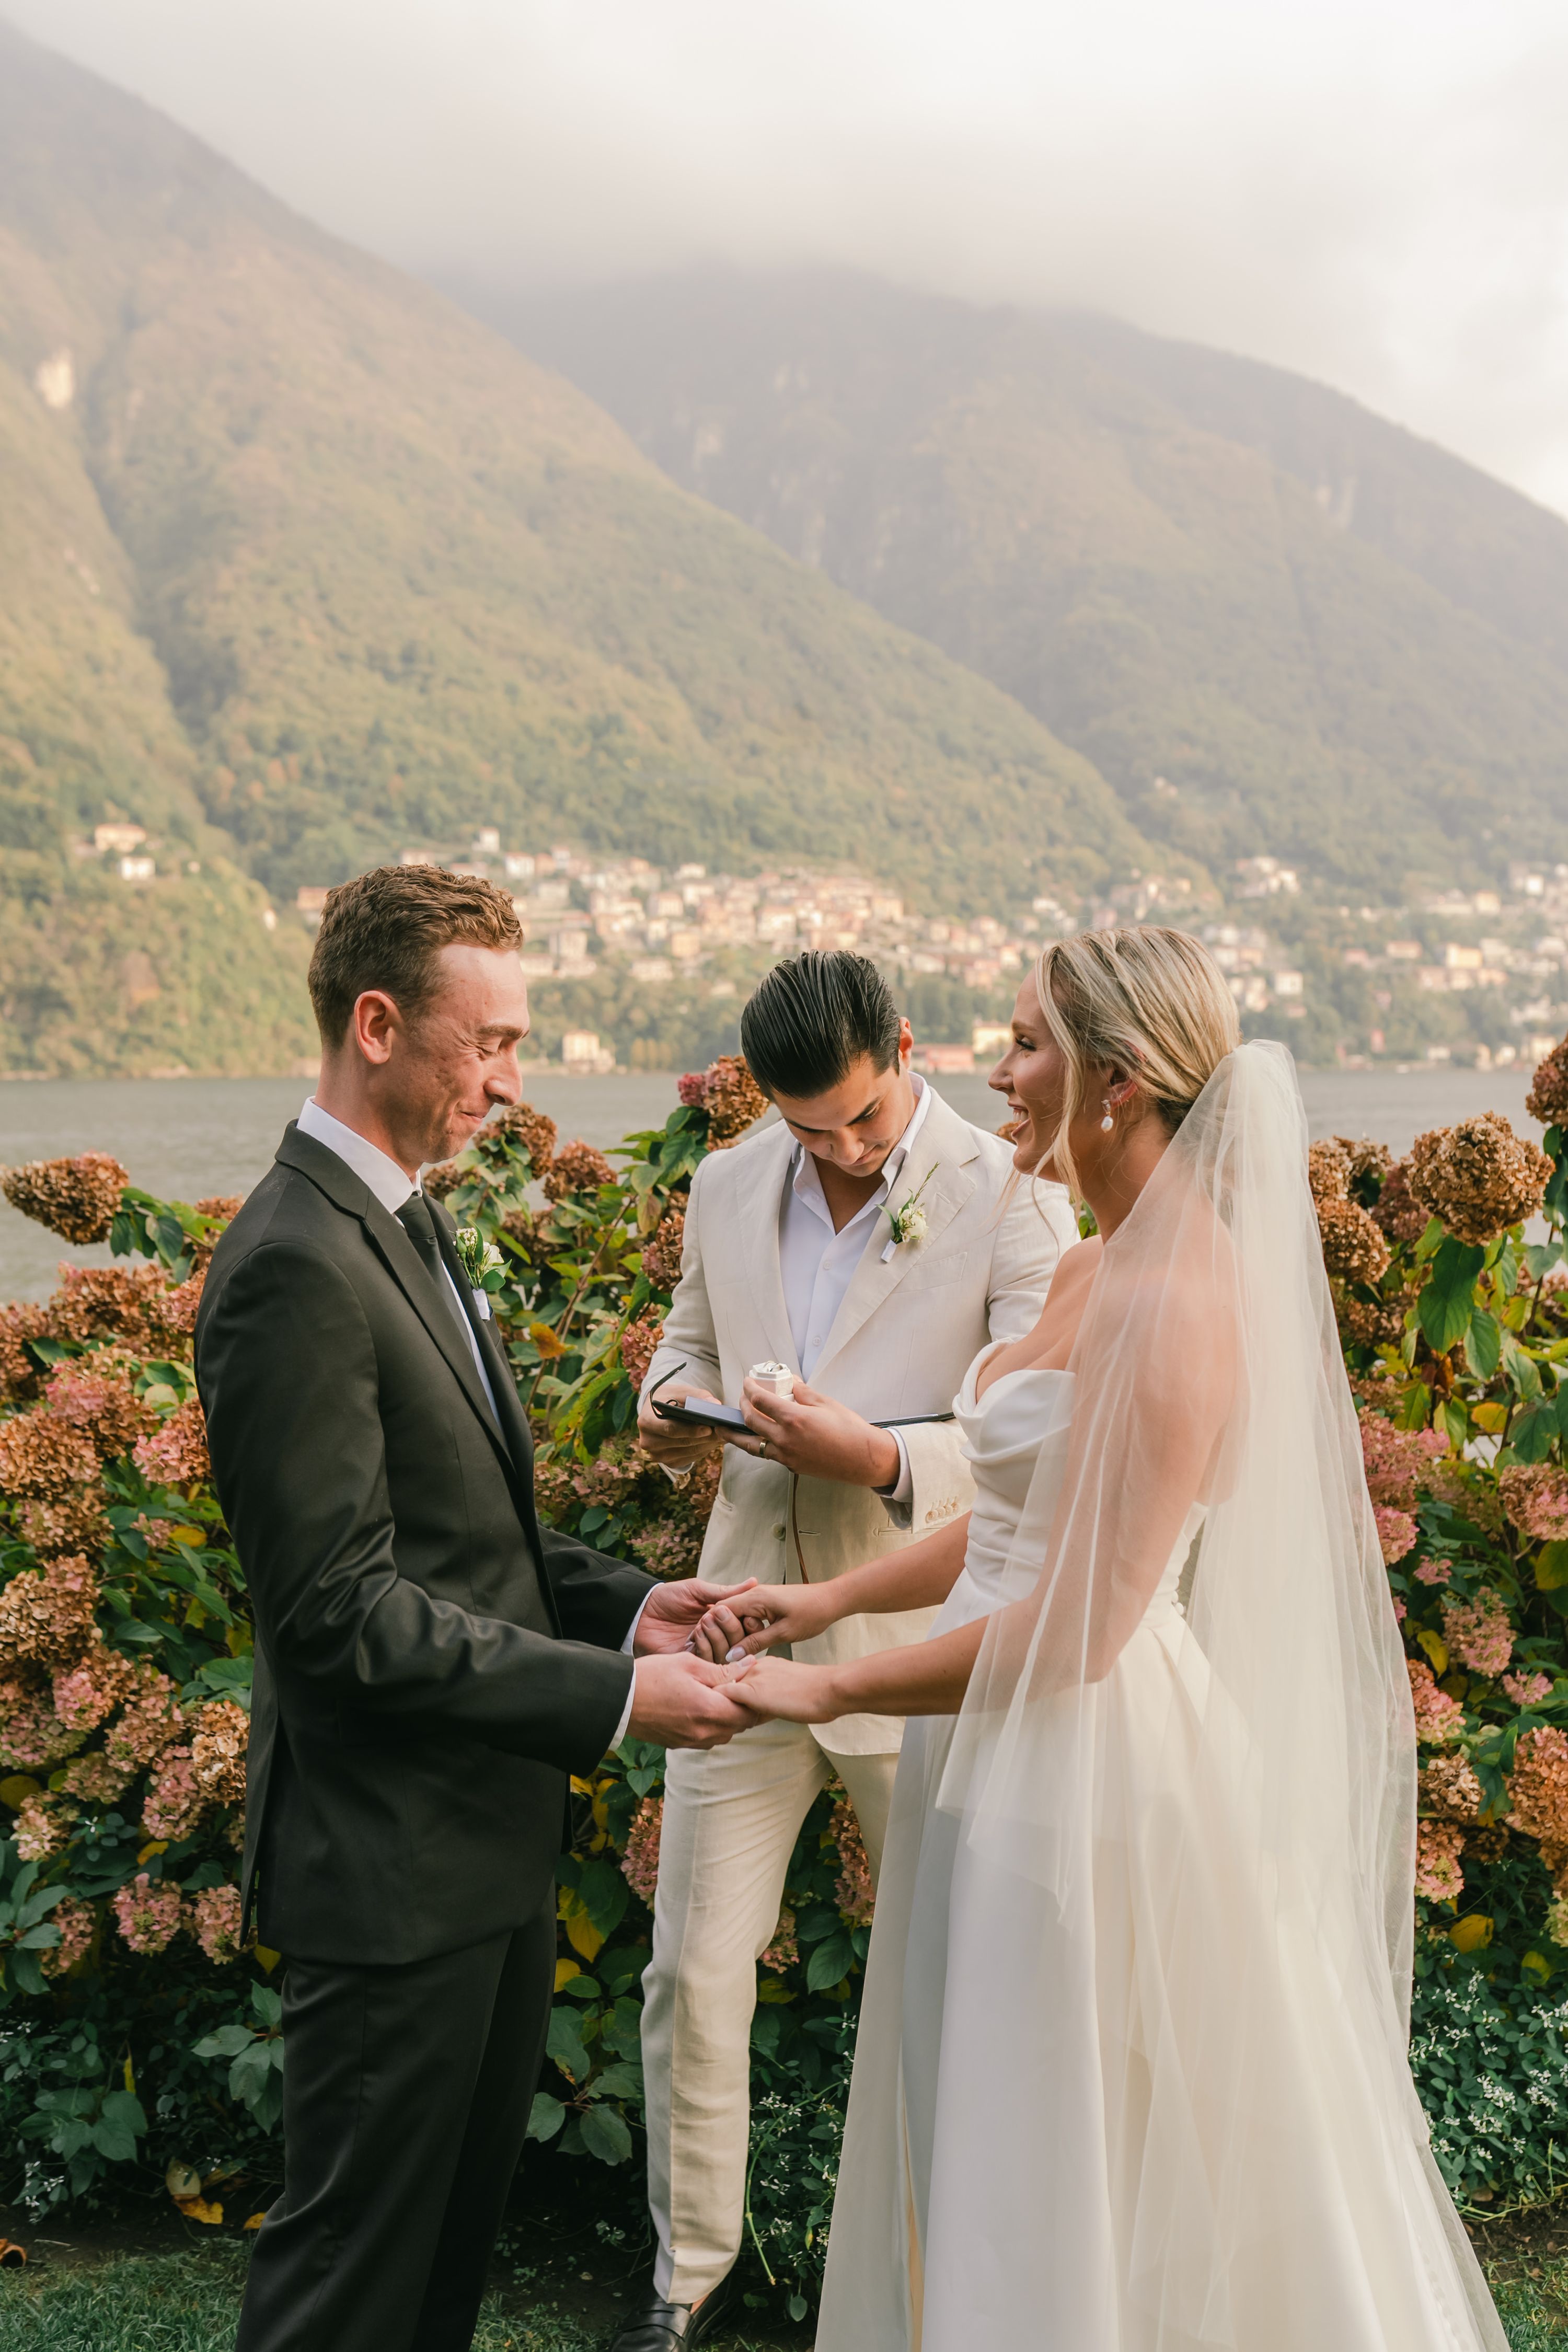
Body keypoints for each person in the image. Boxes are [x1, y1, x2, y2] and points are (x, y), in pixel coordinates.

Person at [702, 926, 1508, 2352]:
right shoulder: (1088, 1267)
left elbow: (1078, 1628)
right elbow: (1025, 1514)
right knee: (982, 2115)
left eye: (1027, 1046)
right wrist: (825, 1599)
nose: (999, 1073)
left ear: (1119, 1081)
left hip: (1081, 1780)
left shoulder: (1185, 1303)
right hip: (986, 1734)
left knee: (1056, 2148)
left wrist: (814, 1682)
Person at [195, 866, 757, 2352]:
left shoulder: (403, 1220)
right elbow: (340, 1614)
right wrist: (622, 1701)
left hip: (482, 1853)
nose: (515, 1083)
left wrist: (631, 1604)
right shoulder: (293, 1264)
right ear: (377, 1024)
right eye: (491, 1042)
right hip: (388, 1879)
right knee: (347, 2293)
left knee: (438, 2284)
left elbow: (465, 1530)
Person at [616, 950, 1075, 2351]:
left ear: (908, 1049)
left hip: (917, 1635)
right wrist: (686, 1403)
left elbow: (1035, 1441)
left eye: (864, 1120)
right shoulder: (724, 1185)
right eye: (810, 1129)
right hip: (743, 1617)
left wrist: (874, 1453)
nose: (841, 1150)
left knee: (950, 1971)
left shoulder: (1014, 1193)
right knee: (692, 1967)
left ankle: (959, 2284)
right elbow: (679, 1353)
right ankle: (690, 2277)